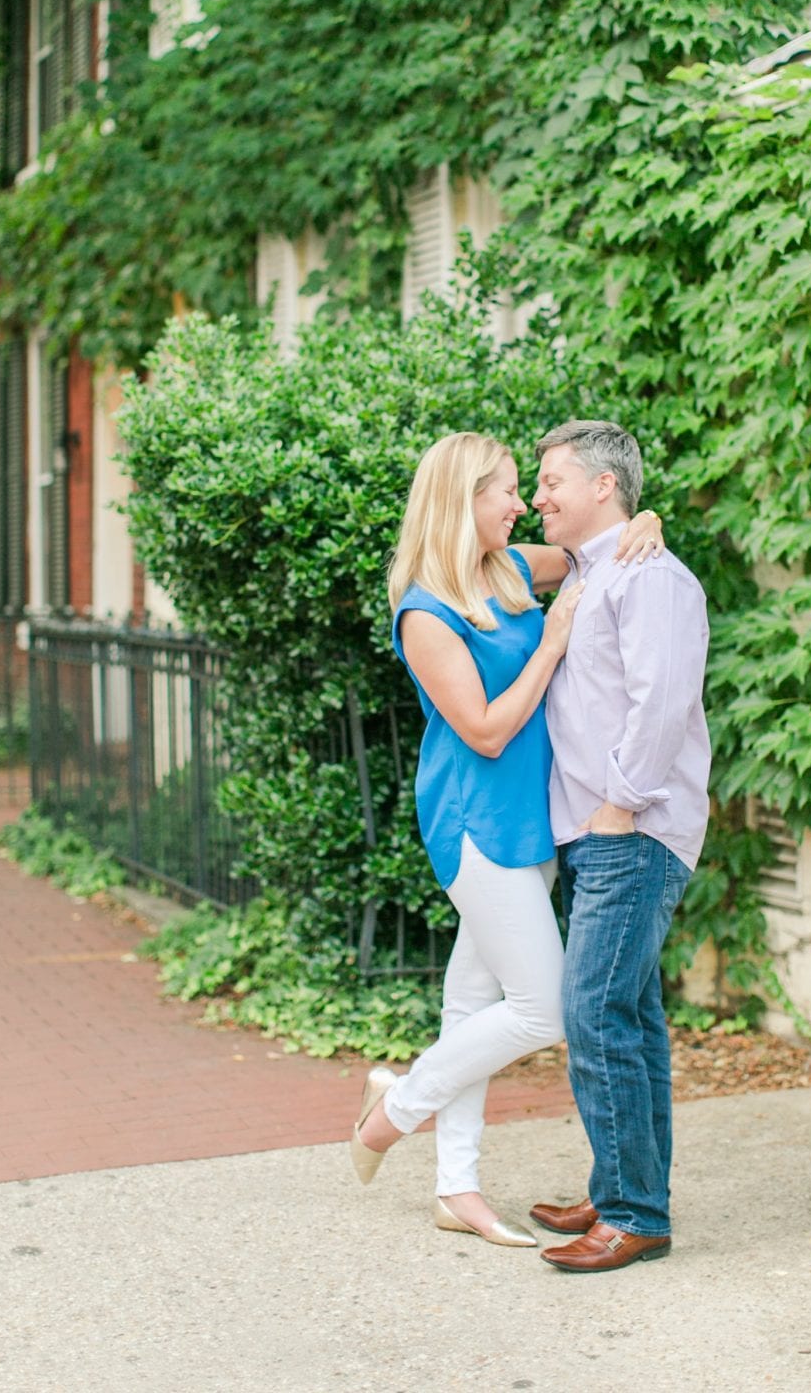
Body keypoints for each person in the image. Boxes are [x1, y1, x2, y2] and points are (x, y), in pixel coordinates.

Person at [350, 431, 663, 1247]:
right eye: (506, 491)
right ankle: (394, 1112)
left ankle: (457, 1188)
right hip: (473, 821)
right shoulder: (424, 610)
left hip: (534, 818)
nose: (522, 504)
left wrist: (648, 519)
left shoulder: (513, 568)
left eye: (527, 490)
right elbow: (485, 732)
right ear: (463, 498)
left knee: (471, 1004)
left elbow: (598, 543)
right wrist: (553, 641)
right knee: (543, 1007)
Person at [527, 419, 710, 1273]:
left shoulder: (650, 577)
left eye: (553, 480)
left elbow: (663, 700)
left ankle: (635, 1214)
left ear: (604, 485)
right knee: (628, 1017)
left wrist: (619, 807)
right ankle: (623, 1191)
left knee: (594, 1012)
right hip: (599, 832)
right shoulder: (597, 568)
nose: (538, 496)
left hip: (629, 830)